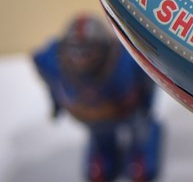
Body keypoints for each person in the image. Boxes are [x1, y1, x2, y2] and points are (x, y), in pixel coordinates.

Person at [33, 15, 162, 181]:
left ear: (104, 47)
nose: (81, 58)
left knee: (141, 132)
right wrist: (55, 102)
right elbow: (44, 70)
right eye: (75, 51)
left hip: (129, 111)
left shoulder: (127, 59)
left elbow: (148, 80)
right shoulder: (53, 62)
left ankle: (141, 154)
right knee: (101, 138)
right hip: (93, 120)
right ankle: (104, 154)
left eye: (88, 51)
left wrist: (147, 104)